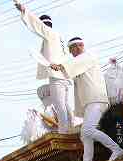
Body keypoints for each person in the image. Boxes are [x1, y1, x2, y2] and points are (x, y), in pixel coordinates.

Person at [52, 37, 123, 161]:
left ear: (79, 46)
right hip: (89, 102)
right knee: (85, 135)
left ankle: (117, 149)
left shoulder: (88, 56)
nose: (72, 52)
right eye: (70, 50)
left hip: (96, 99)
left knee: (87, 130)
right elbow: (71, 67)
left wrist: (60, 66)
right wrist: (59, 67)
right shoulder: (79, 63)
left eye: (72, 49)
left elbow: (72, 64)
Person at [15, 1, 73, 134]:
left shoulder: (49, 33)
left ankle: (64, 130)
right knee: (64, 103)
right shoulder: (57, 38)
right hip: (64, 75)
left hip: (57, 75)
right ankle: (70, 125)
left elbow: (37, 25)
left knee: (60, 105)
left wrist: (24, 10)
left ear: (44, 25)